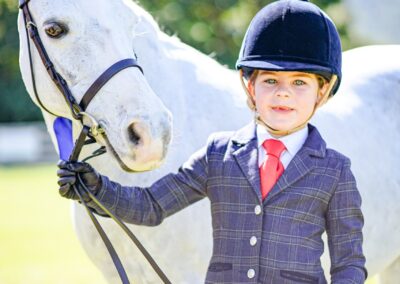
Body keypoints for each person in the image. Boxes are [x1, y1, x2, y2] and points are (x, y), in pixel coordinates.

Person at [57, 0, 367, 282]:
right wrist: (96, 189)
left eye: (299, 82)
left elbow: (348, 262)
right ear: (249, 87)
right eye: (270, 80)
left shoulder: (335, 171)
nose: (282, 92)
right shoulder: (219, 154)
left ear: (322, 92)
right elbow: (151, 206)